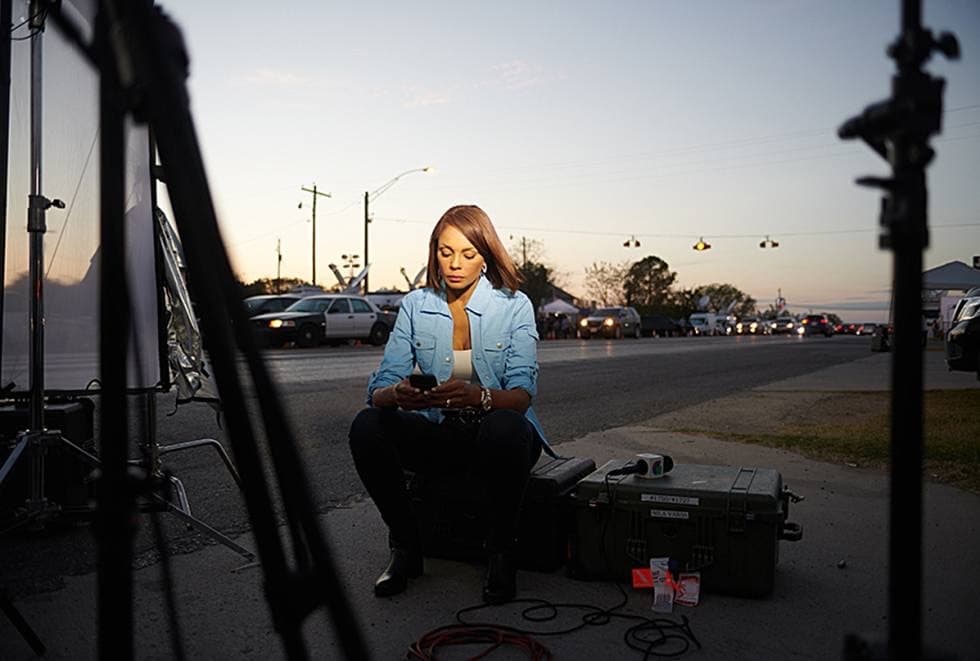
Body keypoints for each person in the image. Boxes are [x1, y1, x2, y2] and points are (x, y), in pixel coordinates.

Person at [348, 204, 552, 604]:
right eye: (445, 252)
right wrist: (397, 394)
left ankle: (500, 554)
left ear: (486, 256)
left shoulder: (514, 306)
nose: (454, 264)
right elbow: (382, 383)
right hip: (439, 432)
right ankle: (406, 547)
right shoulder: (415, 305)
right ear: (434, 252)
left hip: (497, 440)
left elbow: (523, 394)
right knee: (367, 425)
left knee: (506, 426)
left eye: (468, 254)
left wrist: (478, 396)